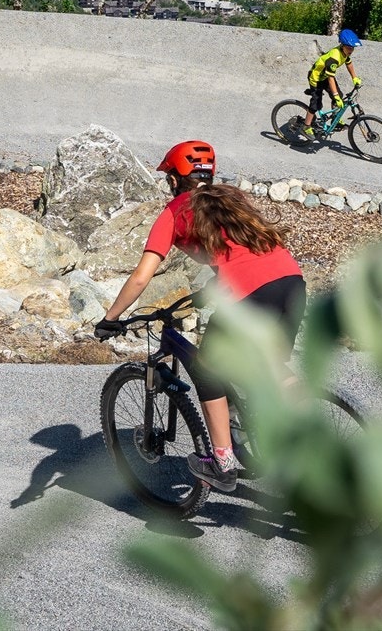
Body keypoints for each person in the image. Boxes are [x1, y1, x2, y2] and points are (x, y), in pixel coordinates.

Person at [94, 140, 306, 493]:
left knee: (207, 368)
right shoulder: (232, 199)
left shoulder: (175, 211)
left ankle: (222, 463)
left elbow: (142, 277)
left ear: (174, 179)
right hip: (291, 283)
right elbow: (243, 254)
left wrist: (111, 318)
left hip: (250, 294)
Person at [304, 28, 363, 136]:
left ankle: (335, 121)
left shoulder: (345, 53)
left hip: (325, 77)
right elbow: (331, 78)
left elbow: (349, 63)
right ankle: (306, 126)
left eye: (353, 48)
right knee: (316, 104)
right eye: (349, 47)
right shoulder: (334, 58)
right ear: (342, 45)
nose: (351, 50)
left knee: (339, 96)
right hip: (316, 78)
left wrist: (354, 78)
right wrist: (335, 95)